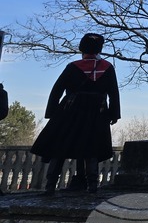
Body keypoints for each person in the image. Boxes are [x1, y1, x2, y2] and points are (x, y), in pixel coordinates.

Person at [31, 34, 120, 194]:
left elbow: (57, 90)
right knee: (91, 149)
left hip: (70, 111)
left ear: (82, 48)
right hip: (96, 113)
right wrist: (113, 114)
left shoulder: (73, 66)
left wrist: (52, 112)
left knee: (60, 146)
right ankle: (92, 186)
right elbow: (114, 93)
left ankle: (50, 185)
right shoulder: (107, 67)